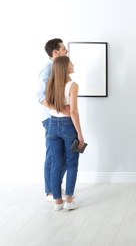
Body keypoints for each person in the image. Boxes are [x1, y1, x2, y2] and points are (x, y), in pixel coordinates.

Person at [45, 56, 85, 211]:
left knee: (56, 163)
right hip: (68, 127)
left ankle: (57, 202)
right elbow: (73, 112)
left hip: (52, 125)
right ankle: (69, 200)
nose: (73, 65)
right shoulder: (73, 85)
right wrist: (80, 134)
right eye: (70, 63)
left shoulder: (51, 85)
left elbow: (49, 104)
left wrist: (61, 109)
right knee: (72, 163)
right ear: (64, 67)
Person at [36, 38, 69, 201]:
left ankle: (55, 187)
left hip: (60, 118)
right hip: (50, 119)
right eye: (64, 48)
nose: (67, 50)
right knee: (53, 155)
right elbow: (40, 96)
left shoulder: (59, 68)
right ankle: (50, 191)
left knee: (62, 155)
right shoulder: (47, 69)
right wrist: (58, 110)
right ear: (55, 52)